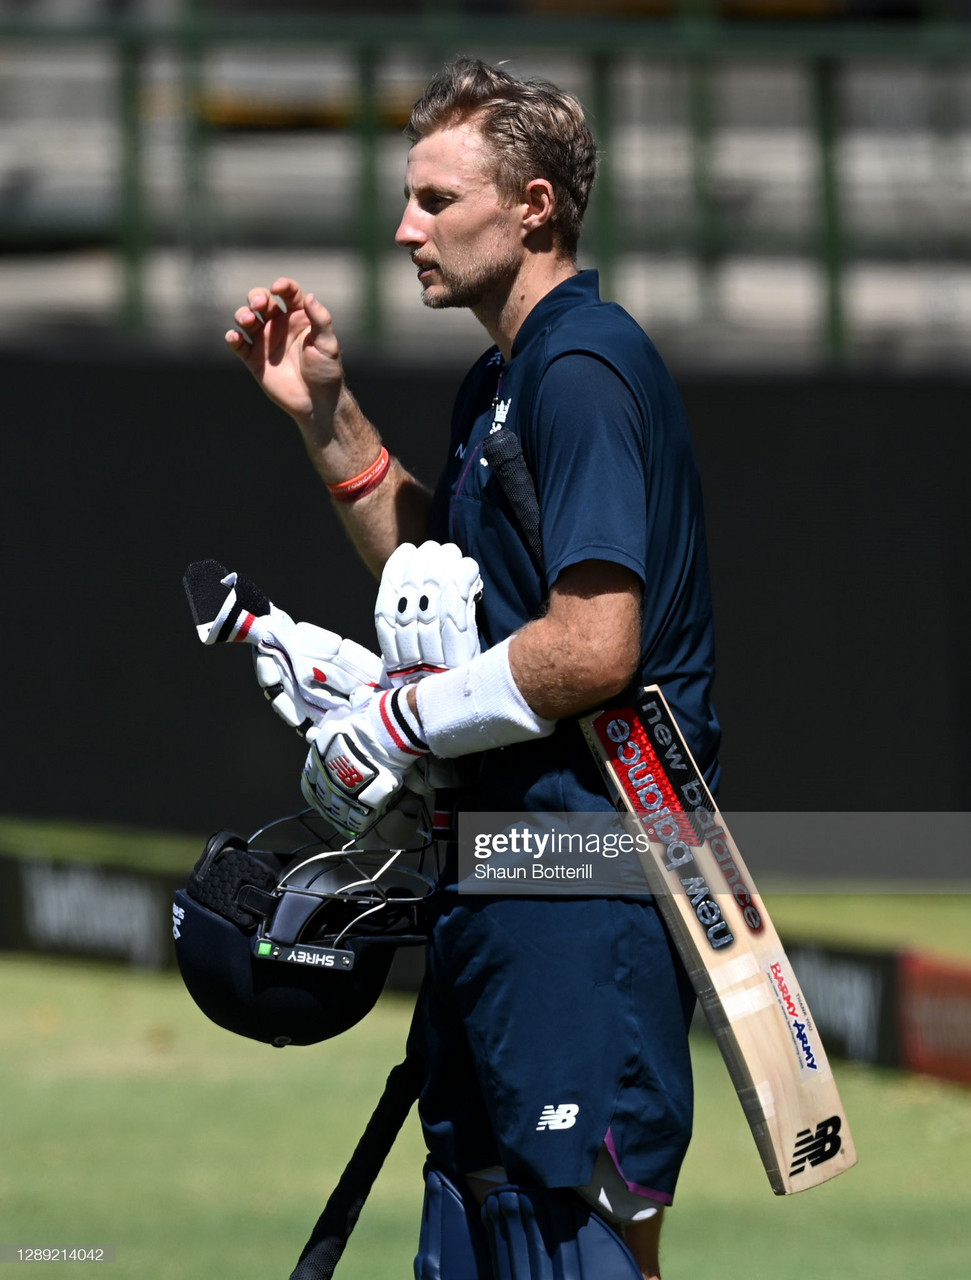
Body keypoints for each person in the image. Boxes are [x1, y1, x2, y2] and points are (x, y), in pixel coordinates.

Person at [225, 57, 720, 1280]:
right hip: (500, 882)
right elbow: (448, 574)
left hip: (582, 879)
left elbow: (592, 643)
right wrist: (324, 413)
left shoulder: (581, 366)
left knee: (582, 1242)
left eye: (436, 200)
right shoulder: (500, 378)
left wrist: (400, 725)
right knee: (477, 1225)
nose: (404, 229)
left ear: (535, 206)